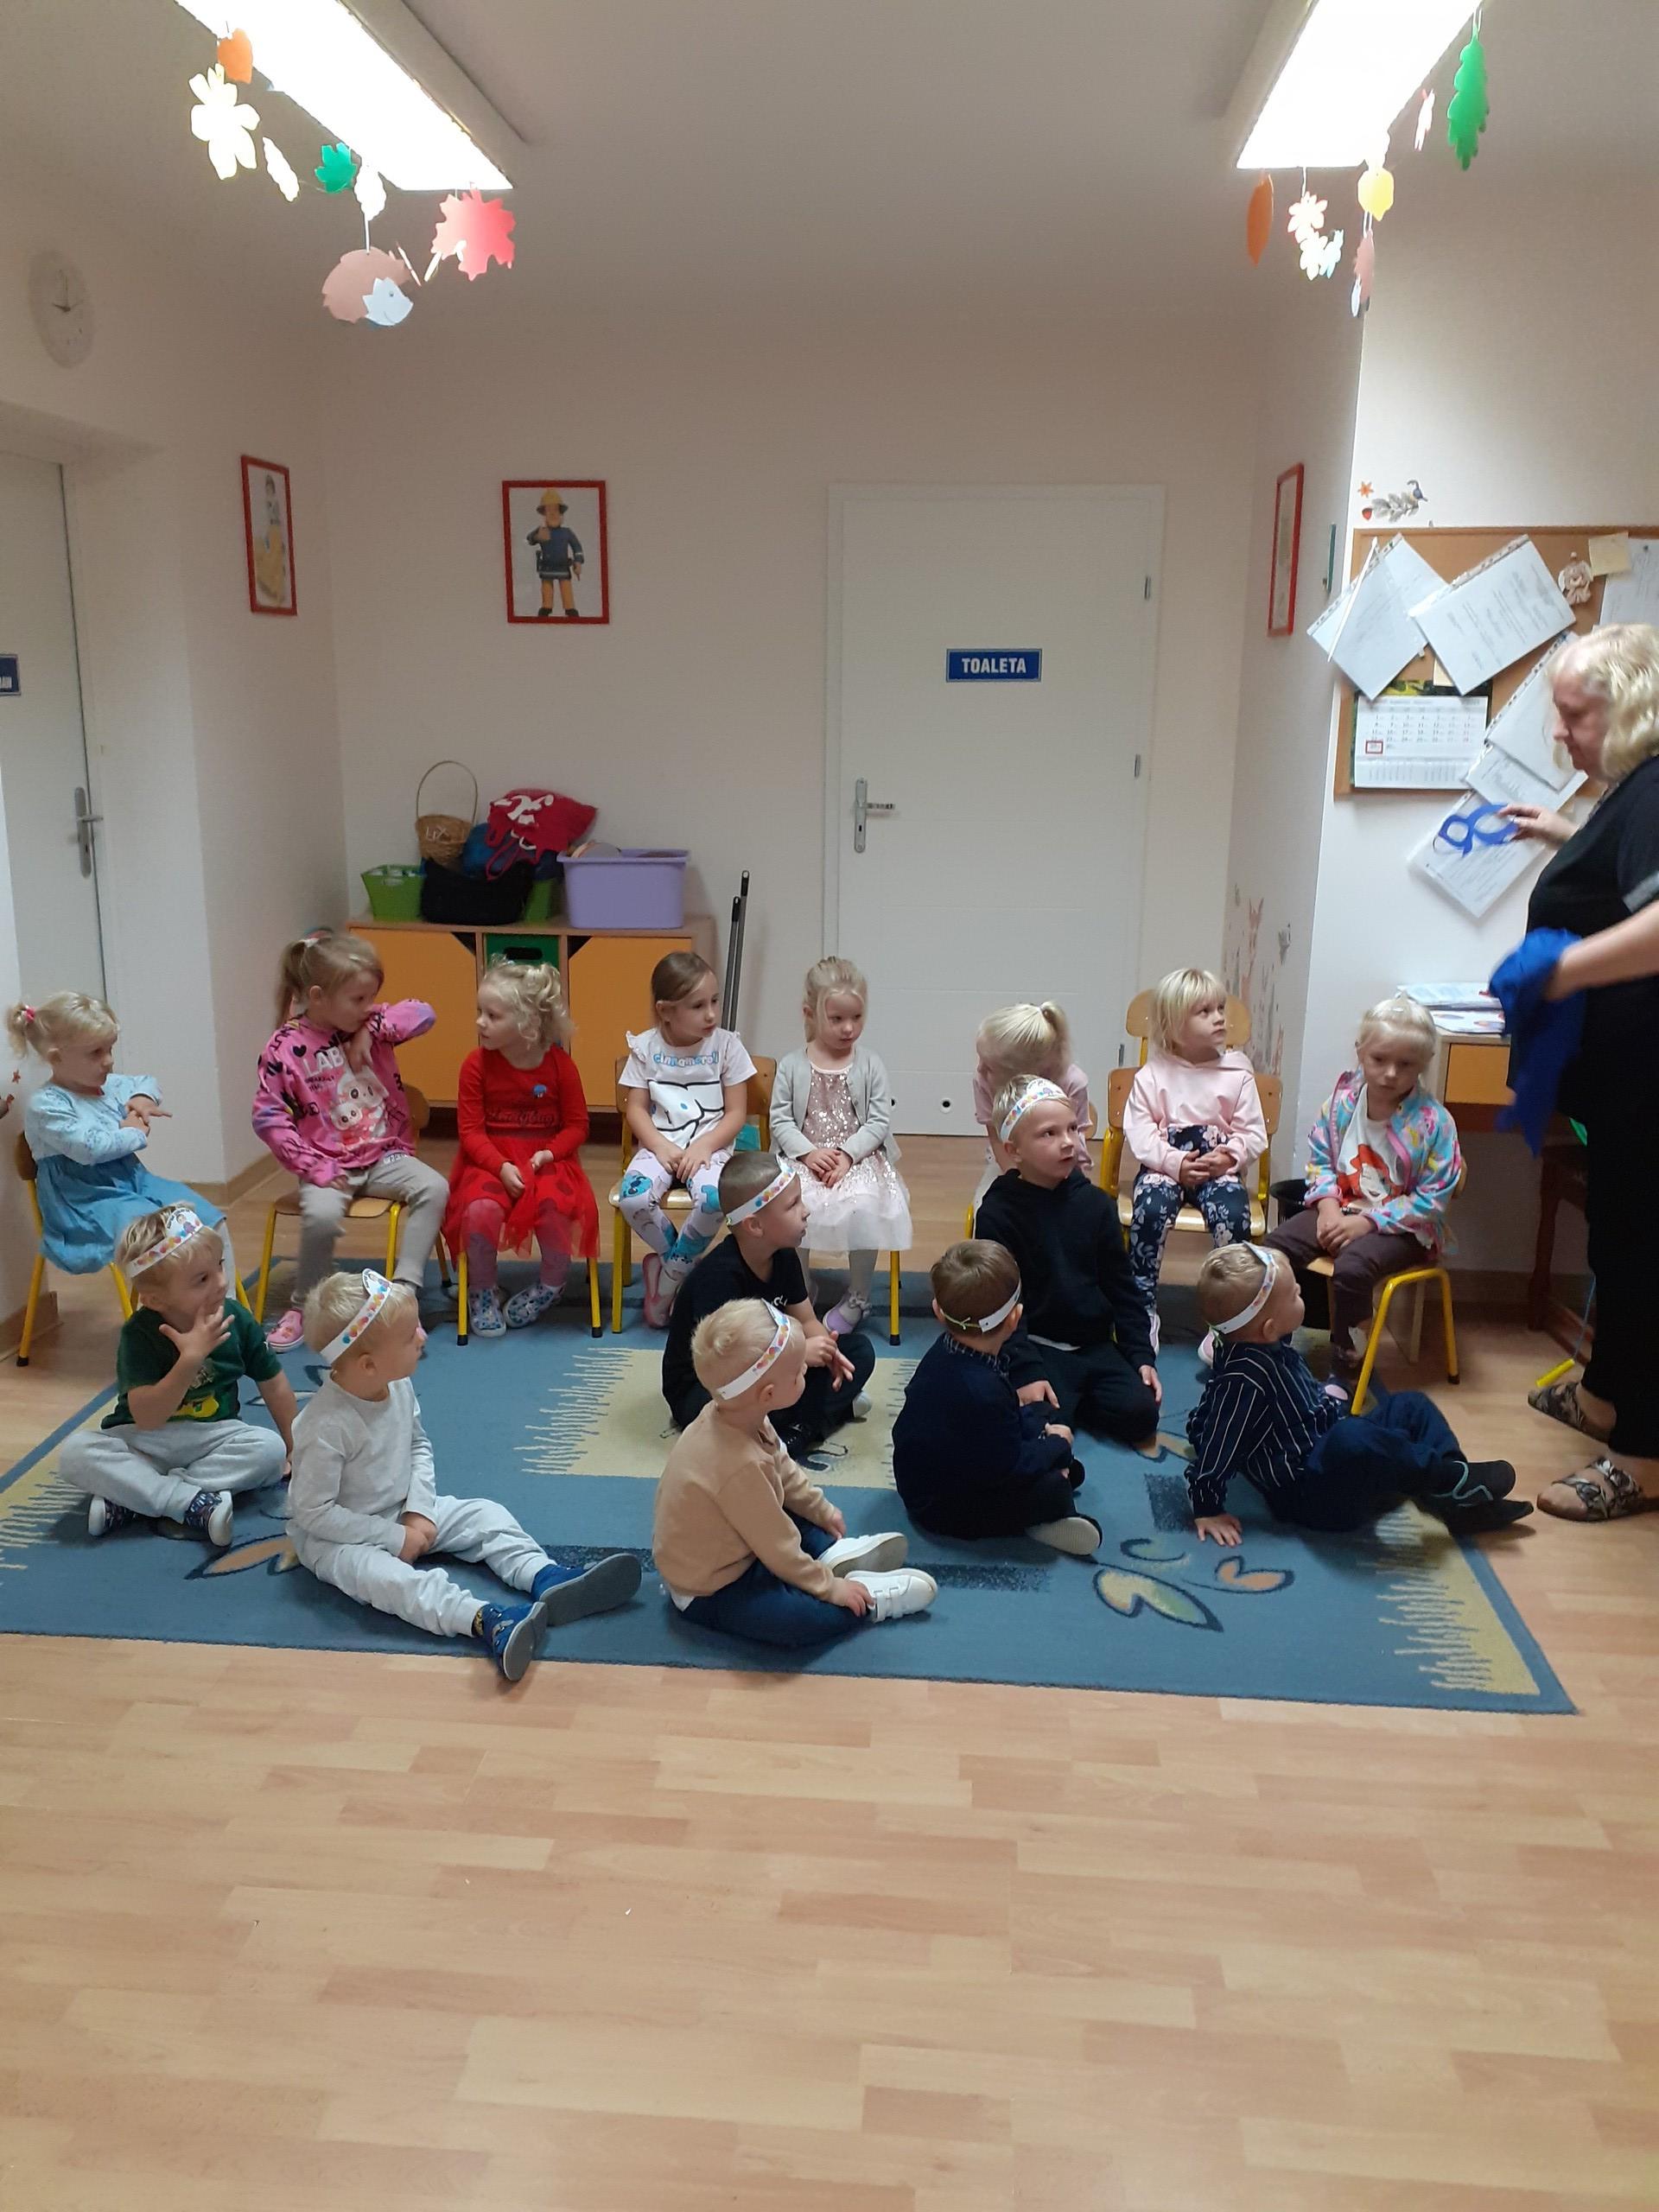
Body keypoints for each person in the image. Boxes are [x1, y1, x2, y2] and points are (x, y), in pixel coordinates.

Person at [288, 1270, 641, 1681]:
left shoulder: (395, 1385)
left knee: (485, 1515)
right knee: (387, 1580)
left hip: (401, 1509)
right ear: (368, 1365)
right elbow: (313, 1513)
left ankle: (544, 1576)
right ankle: (485, 1619)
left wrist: (419, 1511)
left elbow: (418, 1446)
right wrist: (393, 1538)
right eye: (409, 1336)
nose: (422, 1337)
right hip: (339, 1539)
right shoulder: (324, 1426)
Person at [1498, 623, 1659, 1518]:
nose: (1560, 735)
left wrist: (1557, 970)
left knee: (1643, 1264)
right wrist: (1570, 836)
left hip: (1650, 1084)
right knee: (1619, 1242)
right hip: (1626, 1086)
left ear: (1632, 709)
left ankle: (1643, 1459)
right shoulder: (1634, 791)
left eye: (1574, 715)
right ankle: (1602, 1399)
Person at [1184, 1244, 1529, 1541]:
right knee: (1352, 1437)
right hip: (1312, 1495)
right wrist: (1206, 1507)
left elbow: (1288, 1402)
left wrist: (1325, 1397)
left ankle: (1457, 1500)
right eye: (1294, 1295)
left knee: (1411, 1404)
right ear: (1269, 1328)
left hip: (1325, 1443)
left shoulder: (1264, 1343)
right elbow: (1219, 1440)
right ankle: (1444, 1477)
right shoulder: (1245, 1377)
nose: (1301, 1292)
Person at [652, 1300, 936, 1646]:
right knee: (800, 1622)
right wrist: (830, 1589)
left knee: (787, 1506)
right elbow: (777, 1548)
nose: (807, 1371)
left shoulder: (733, 1414)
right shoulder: (739, 1464)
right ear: (769, 1394)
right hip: (712, 1586)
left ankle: (830, 1555)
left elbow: (783, 1468)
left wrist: (820, 1509)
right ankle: (865, 1600)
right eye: (800, 1372)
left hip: (743, 1538)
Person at [252, 931, 449, 1350]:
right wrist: (313, 1166)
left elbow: (424, 1013)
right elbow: (268, 1118)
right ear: (318, 997)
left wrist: (371, 1028)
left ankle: (403, 1295)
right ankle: (305, 1305)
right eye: (358, 1000)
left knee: (435, 1187)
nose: (367, 1007)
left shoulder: (371, 1024)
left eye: (371, 998)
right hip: (326, 1164)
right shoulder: (284, 1048)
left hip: (385, 1156)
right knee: (322, 1217)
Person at [59, 1205, 293, 1546]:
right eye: (202, 1280)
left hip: (213, 1435)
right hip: (143, 1439)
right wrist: (190, 1359)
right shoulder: (139, 1334)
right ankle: (190, 1501)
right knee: (76, 1453)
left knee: (270, 1451)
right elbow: (147, 1418)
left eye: (220, 1266)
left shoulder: (236, 1319)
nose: (221, 1283)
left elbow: (274, 1384)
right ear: (155, 1299)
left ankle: (135, 1498)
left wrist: (294, 1446)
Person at [1266, 995, 1460, 1395]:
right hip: (1342, 1208)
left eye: (1405, 1064)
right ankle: (1267, 1342)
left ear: (1424, 1064)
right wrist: (1328, 1209)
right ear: (1360, 1053)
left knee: (1352, 1269)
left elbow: (1431, 1200)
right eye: (1379, 1059)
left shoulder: (1434, 1123)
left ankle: (1346, 1367)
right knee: (1273, 1248)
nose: (1390, 1073)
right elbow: (1320, 1162)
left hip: (1405, 1228)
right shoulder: (1342, 1103)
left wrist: (1367, 1222)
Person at [974, 1077, 1160, 1443]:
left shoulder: (1096, 1204)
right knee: (1039, 1423)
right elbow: (1001, 1303)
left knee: (1141, 1415)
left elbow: (1122, 1288)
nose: (1068, 1142)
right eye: (1049, 1133)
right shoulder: (998, 1214)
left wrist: (1140, 1355)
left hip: (1095, 1346)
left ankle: (1076, 1401)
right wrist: (1026, 1370)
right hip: (1039, 1346)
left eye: (1073, 1129)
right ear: (1014, 1151)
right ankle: (1064, 1401)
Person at [8, 993, 236, 1286]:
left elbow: (146, 1081)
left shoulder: (109, 1085)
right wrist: (133, 1131)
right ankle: (168, 1307)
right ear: (56, 1058)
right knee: (158, 1235)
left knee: (207, 1218)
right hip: (83, 1199)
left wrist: (142, 1098)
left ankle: (222, 1301)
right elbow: (90, 1148)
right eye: (96, 1053)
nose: (109, 1061)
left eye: (110, 1049)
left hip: (133, 1181)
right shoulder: (46, 1105)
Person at [893, 1239, 1100, 1554]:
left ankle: (1054, 1475)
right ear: (1015, 1319)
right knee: (1056, 1486)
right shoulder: (983, 1391)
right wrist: (1055, 1445)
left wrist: (1040, 1432)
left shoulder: (945, 1353)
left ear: (938, 1312)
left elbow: (995, 1426)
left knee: (1044, 1419)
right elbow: (1008, 1467)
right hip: (941, 1508)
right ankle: (1042, 1520)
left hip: (931, 1474)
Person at [662, 1152, 877, 1452]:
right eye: (793, 1205)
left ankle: (796, 1424)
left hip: (768, 1370)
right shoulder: (718, 1278)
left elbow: (807, 1320)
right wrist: (799, 1356)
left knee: (859, 1352)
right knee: (733, 1408)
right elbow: (727, 1367)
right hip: (710, 1387)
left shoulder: (784, 1256)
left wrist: (827, 1350)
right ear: (755, 1226)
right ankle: (807, 1425)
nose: (806, 1212)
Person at [443, 962, 597, 1338]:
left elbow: (577, 1126)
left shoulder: (561, 1066)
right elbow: (470, 1131)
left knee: (555, 1205)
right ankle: (482, 1289)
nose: (480, 1022)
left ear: (527, 1023)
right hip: (489, 1159)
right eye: (480, 1012)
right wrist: (499, 1166)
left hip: (546, 1159)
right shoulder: (475, 1065)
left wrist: (549, 1154)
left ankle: (552, 1285)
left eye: (492, 1015)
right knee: (479, 1209)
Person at [770, 957, 912, 1336]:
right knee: (791, 1207)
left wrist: (848, 1155)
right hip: (805, 1158)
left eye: (857, 1017)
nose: (849, 1028)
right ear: (810, 1014)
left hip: (859, 1159)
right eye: (837, 1019)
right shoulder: (791, 1065)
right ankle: (799, 1290)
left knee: (865, 1206)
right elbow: (780, 1120)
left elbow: (878, 1121)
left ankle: (858, 1295)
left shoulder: (871, 1064)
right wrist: (808, 1153)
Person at [1122, 967, 1265, 1342]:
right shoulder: (1153, 1075)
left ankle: (1229, 1317)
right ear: (1174, 1026)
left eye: (1220, 1008)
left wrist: (1229, 1157)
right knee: (1150, 1210)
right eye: (1204, 1012)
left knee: (1234, 1216)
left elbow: (1253, 1133)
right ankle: (1142, 1309)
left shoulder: (1238, 1074)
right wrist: (1175, 1163)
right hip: (1164, 1166)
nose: (1219, 1018)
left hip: (1218, 1169)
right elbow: (1140, 1132)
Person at [618, 951, 756, 1327]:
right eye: (698, 1006)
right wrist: (661, 1146)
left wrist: (705, 1146)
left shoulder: (727, 1046)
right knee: (633, 1198)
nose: (711, 1014)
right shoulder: (645, 1048)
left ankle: (665, 1284)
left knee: (714, 1199)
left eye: (714, 1001)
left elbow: (736, 1113)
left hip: (710, 1148)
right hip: (659, 1146)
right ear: (665, 1011)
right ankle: (682, 1270)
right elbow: (636, 1111)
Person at [971, 1001, 1092, 1205]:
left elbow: (1072, 1147)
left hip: (1063, 1164)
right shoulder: (984, 1080)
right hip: (1010, 1162)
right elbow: (997, 1140)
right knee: (987, 1207)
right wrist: (1019, 1186)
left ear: (1023, 1074)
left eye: (989, 1066)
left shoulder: (1072, 1083)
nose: (980, 1069)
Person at [527, 487, 583, 619]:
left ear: (561, 513)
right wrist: (536, 536)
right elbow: (529, 539)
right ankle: (546, 606)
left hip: (563, 567)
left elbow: (577, 547)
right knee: (547, 587)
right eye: (549, 511)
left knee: (566, 587)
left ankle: (570, 608)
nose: (553, 514)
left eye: (556, 510)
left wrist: (578, 562)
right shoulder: (542, 531)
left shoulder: (566, 532)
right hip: (547, 567)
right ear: (544, 514)